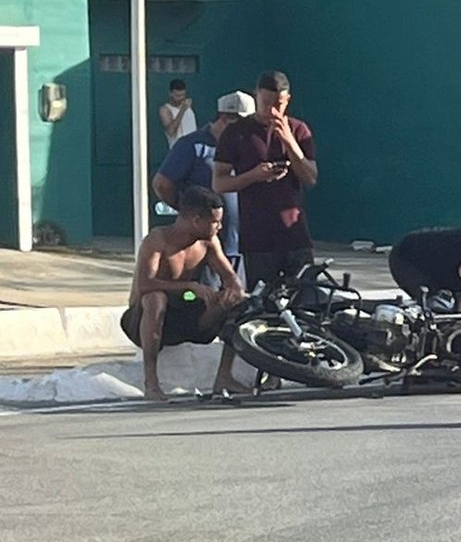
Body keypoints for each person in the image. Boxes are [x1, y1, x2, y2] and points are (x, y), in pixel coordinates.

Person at [120, 187, 247, 401]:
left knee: (239, 303)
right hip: (146, 318)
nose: (220, 227)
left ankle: (224, 377)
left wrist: (233, 290)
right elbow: (143, 284)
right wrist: (189, 287)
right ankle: (151, 383)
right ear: (197, 219)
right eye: (215, 222)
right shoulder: (158, 239)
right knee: (155, 298)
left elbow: (229, 276)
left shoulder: (208, 242)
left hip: (188, 319)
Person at [213, 71, 318, 289]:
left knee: (304, 300)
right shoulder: (236, 132)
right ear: (256, 96)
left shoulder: (299, 130)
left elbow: (310, 177)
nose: (272, 110)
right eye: (265, 102)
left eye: (278, 104)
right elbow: (219, 183)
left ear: (287, 100)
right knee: (264, 304)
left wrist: (289, 142)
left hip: (295, 237)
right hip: (258, 238)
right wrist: (253, 176)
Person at [153, 91, 256, 281]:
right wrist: (189, 211)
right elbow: (162, 184)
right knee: (206, 304)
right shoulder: (192, 146)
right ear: (224, 119)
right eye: (241, 126)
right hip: (205, 251)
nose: (246, 132)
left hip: (240, 249)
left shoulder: (245, 148)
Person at [158, 79, 197, 148]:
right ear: (171, 94)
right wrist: (182, 111)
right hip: (178, 149)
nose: (181, 98)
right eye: (177, 96)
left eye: (183, 95)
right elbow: (170, 131)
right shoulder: (165, 109)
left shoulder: (188, 105)